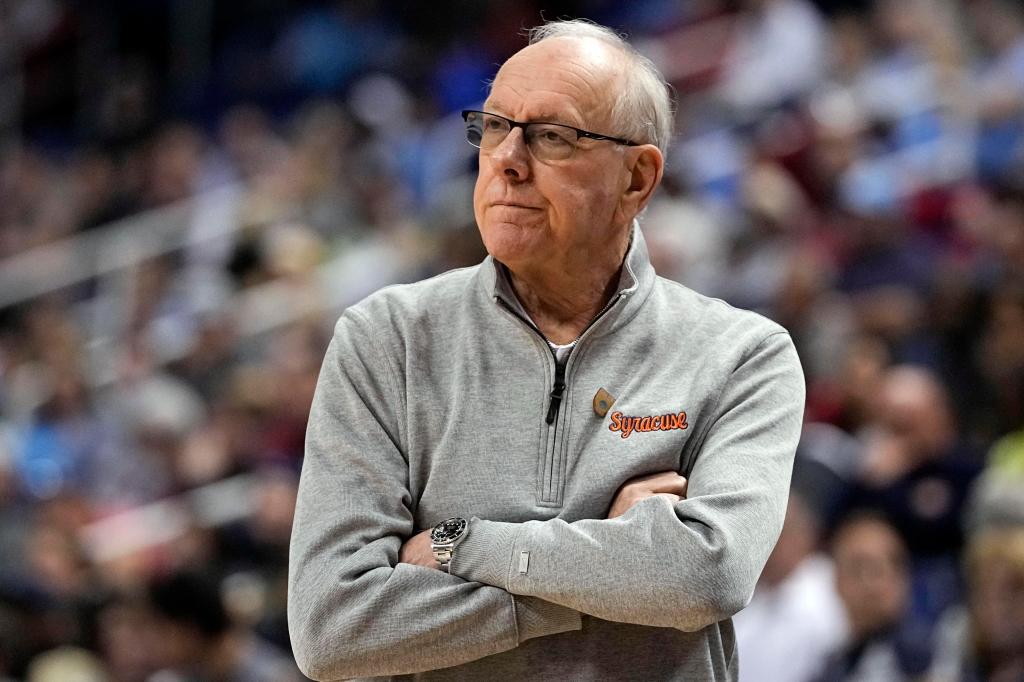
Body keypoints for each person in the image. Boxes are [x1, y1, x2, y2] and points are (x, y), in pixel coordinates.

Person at [288, 19, 805, 681]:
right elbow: (333, 627)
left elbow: (703, 576)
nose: (507, 158)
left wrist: (462, 545)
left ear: (637, 180)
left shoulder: (741, 356)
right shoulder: (386, 339)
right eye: (495, 126)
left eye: (552, 136)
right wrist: (607, 570)